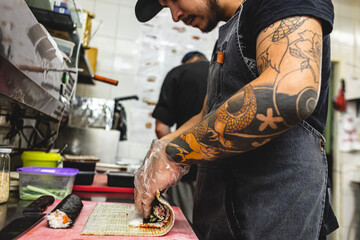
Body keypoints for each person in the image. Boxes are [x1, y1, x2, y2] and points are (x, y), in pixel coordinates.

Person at [133, 0, 339, 239]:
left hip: (275, 215)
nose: (175, 16)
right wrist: (163, 146)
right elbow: (206, 116)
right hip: (220, 218)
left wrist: (176, 152)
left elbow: (289, 93)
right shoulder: (228, 34)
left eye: (171, 1)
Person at [152, 51, 209, 222]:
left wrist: (171, 162)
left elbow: (161, 128)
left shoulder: (177, 73)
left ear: (184, 63)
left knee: (185, 225)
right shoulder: (220, 71)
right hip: (220, 170)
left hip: (185, 171)